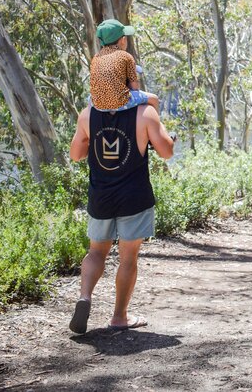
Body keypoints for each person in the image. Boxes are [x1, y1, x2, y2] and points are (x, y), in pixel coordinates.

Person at [67, 94, 175, 333]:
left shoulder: (88, 114)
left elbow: (76, 154)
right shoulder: (145, 113)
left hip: (101, 198)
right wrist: (161, 124)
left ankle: (85, 297)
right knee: (127, 258)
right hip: (134, 198)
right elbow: (166, 151)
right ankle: (119, 317)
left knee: (96, 252)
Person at [89, 19, 160, 113]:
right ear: (123, 40)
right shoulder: (126, 56)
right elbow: (134, 87)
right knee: (154, 98)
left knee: (90, 97)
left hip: (97, 105)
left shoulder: (96, 57)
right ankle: (157, 126)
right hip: (120, 103)